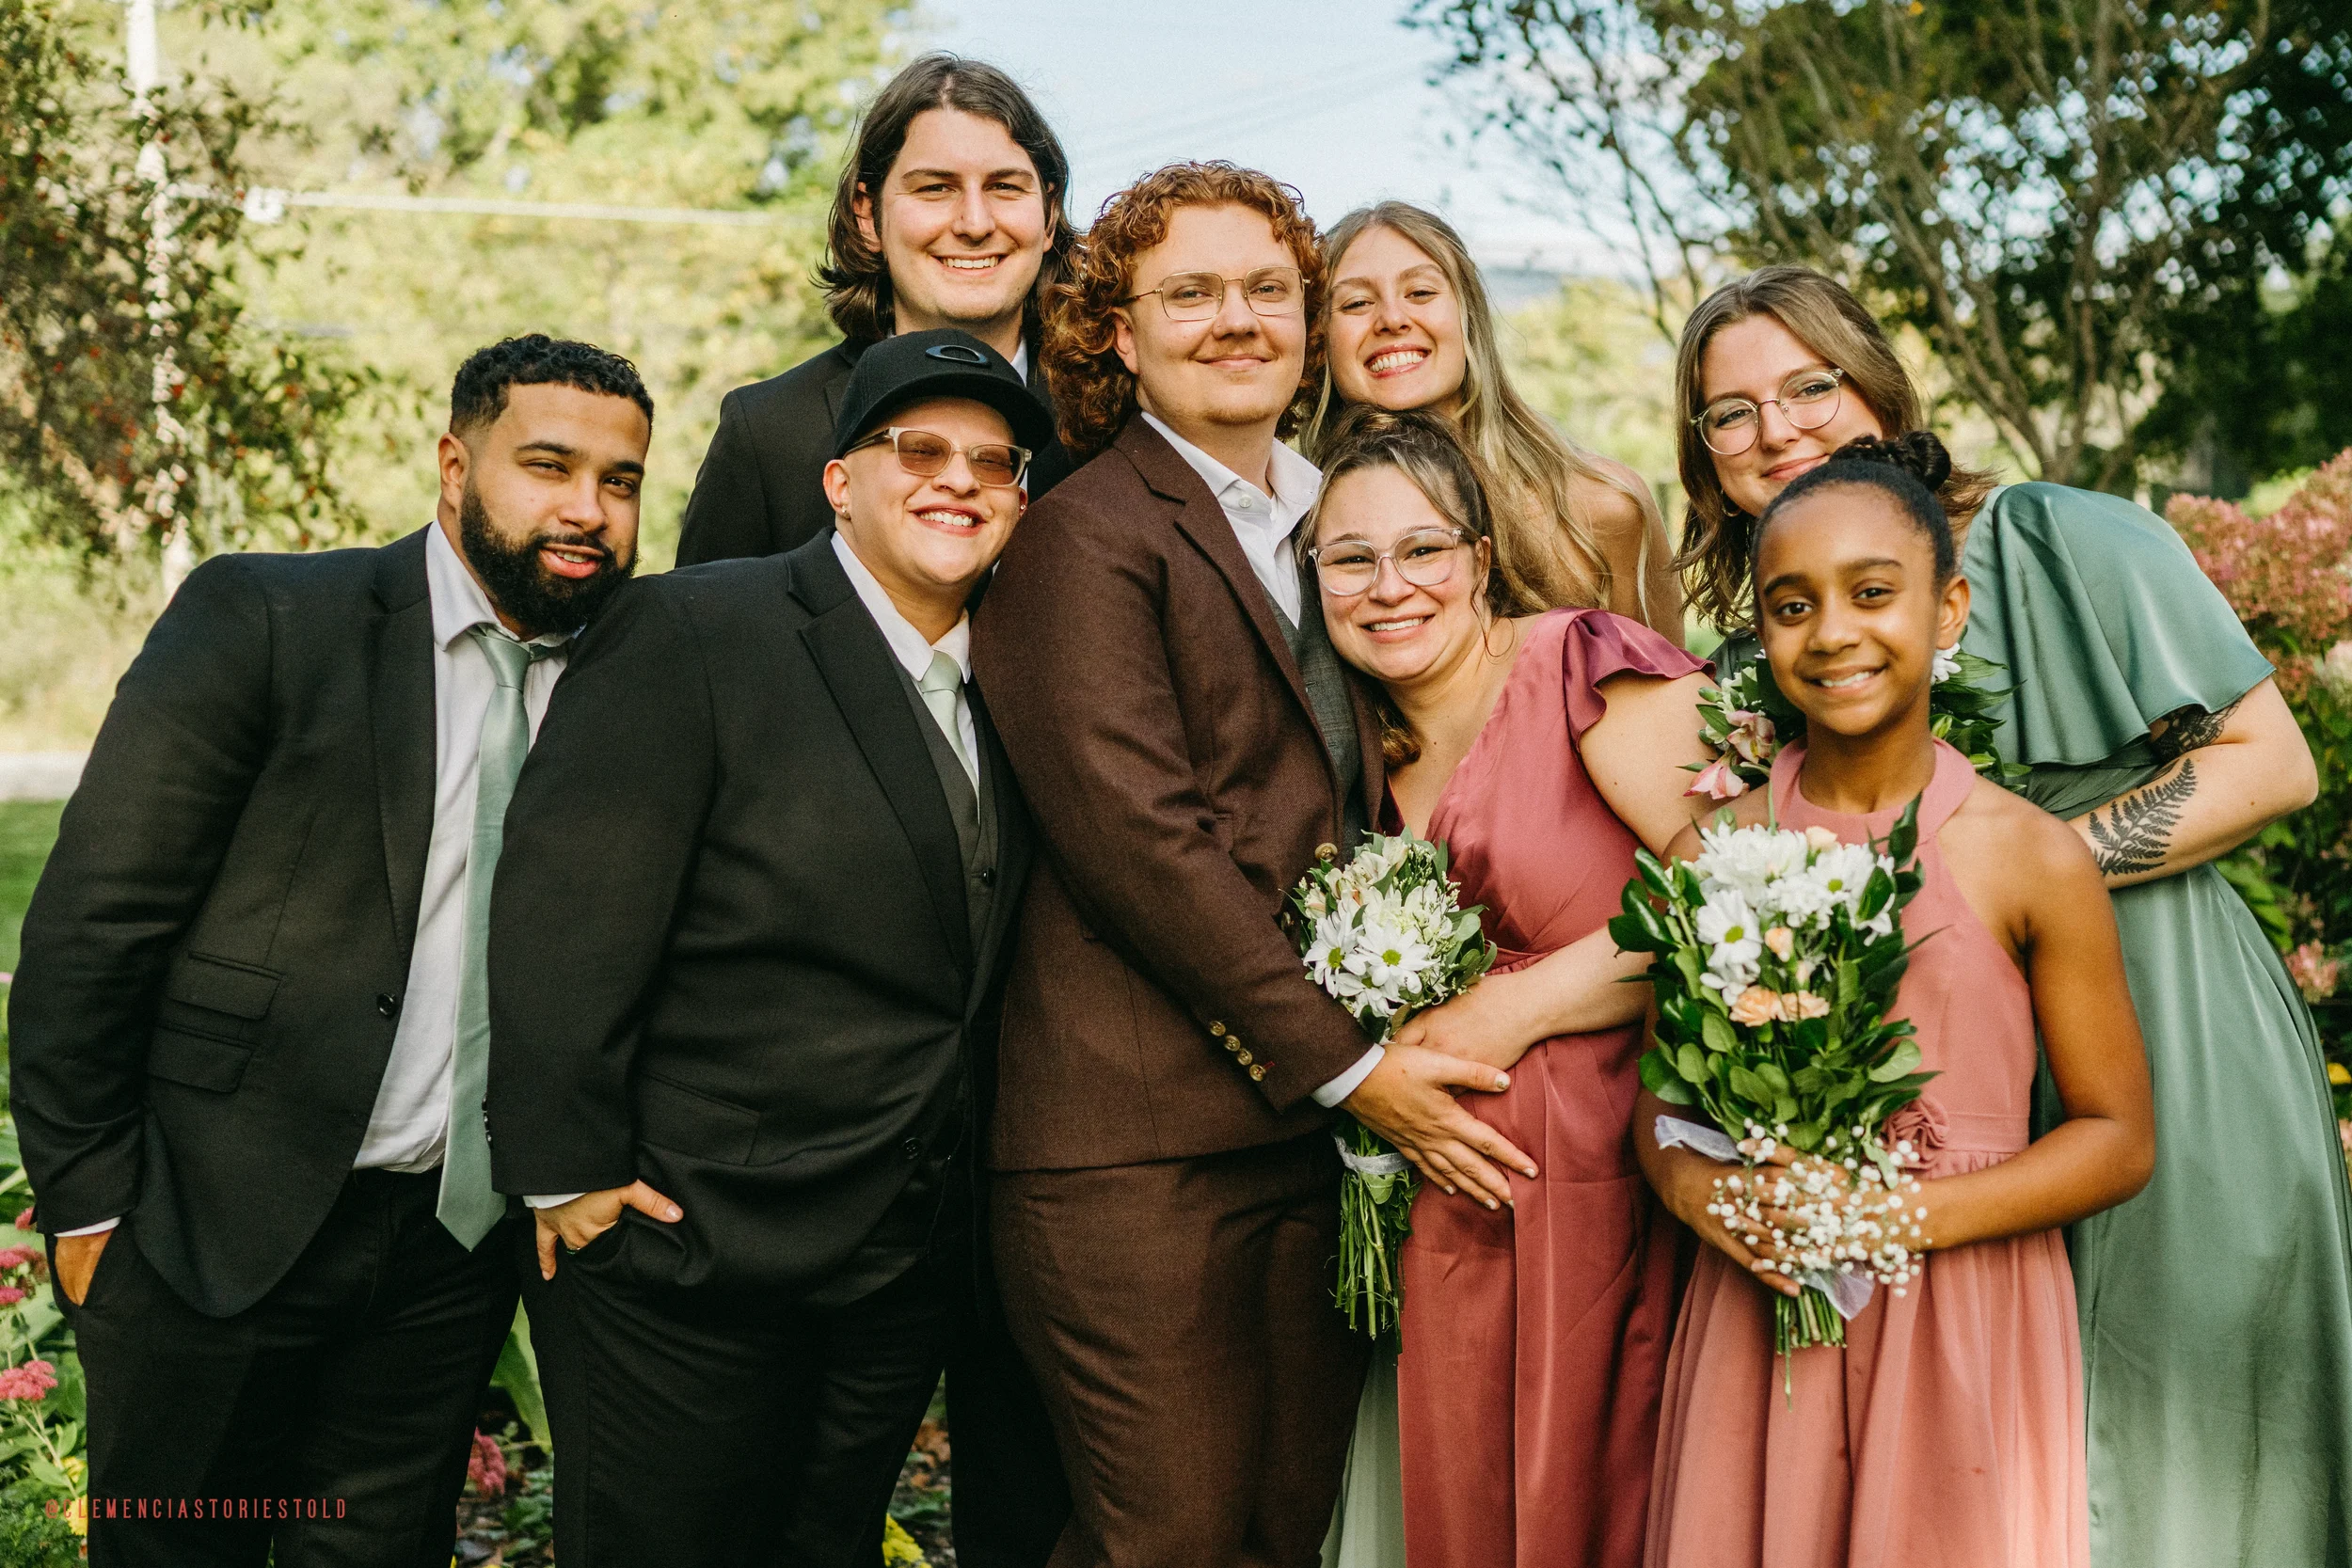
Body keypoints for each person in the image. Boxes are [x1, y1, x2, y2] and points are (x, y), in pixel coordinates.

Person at [1672, 264, 2352, 1565]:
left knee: (2176, 1445)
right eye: (1731, 413)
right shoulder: (1757, 665)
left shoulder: (2058, 538)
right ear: (1705, 463)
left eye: (1810, 385)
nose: (1780, 428)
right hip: (1946, 1095)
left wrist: (2003, 874)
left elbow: (2273, 762)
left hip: (2166, 1014)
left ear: (1878, 383)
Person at [7, 336, 651, 1566]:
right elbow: (96, 925)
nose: (587, 507)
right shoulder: (267, 616)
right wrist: (89, 1202)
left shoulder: (632, 671)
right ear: (455, 466)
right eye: (550, 465)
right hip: (209, 1223)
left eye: (619, 481)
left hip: (446, 1259)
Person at [971, 163, 1533, 1568]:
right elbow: (1139, 840)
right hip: (1136, 1150)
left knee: (1286, 1534)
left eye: (1268, 290)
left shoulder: (1345, 518)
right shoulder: (1082, 534)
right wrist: (1355, 1065)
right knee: (1162, 1538)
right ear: (1118, 329)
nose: (1238, 319)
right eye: (1191, 293)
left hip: (1307, 1146)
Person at [484, 330, 1046, 1568]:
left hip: (900, 1257)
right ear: (842, 479)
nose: (958, 478)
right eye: (921, 449)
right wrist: (566, 1171)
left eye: (993, 463)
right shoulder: (694, 627)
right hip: (684, 1246)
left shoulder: (1023, 670)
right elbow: (560, 909)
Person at [1641, 434, 2158, 1566]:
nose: (1831, 632)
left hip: (1962, 1307)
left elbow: (2116, 1139)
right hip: (1759, 1306)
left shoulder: (2027, 855)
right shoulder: (1715, 847)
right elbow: (1656, 1108)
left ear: (1946, 608)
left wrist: (1889, 1218)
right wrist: (1695, 1192)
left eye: (1873, 593)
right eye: (1790, 605)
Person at [1302, 406, 1714, 1568]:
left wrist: (1516, 1005)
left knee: (1610, 1504)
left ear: (1481, 559)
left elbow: (1742, 883)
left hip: (1617, 1190)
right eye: (1352, 558)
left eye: (1423, 548)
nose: (1391, 585)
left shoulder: (1578, 661)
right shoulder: (1349, 757)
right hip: (1450, 1223)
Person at [675, 53, 1077, 567]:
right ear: (867, 215)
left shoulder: (1111, 414)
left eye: (1004, 187)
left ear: (1049, 217)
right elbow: (701, 637)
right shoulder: (768, 433)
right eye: (936, 188)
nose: (975, 223)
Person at [1301, 200, 1683, 641]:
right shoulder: (1296, 526)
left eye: (1421, 293)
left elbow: (1675, 698)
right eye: (1356, 303)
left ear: (1469, 316)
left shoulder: (1603, 505)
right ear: (1320, 337)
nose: (1391, 319)